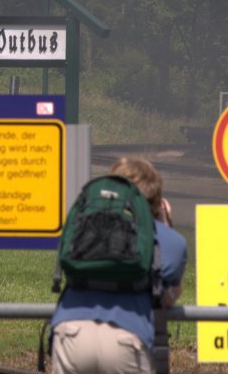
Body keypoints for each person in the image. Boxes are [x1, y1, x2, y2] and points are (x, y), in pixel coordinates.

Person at [49, 157, 188, 374]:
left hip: (70, 331)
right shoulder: (168, 240)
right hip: (127, 335)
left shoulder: (86, 226)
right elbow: (168, 296)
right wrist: (165, 223)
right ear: (157, 199)